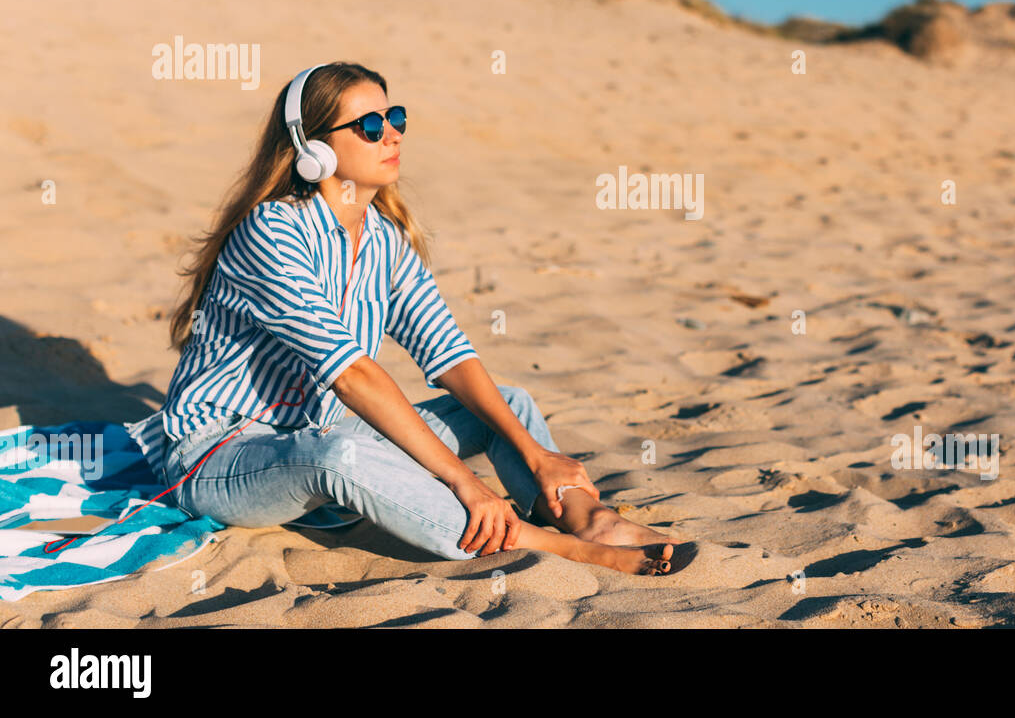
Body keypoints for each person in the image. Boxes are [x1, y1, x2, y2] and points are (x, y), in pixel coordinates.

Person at [157, 61, 694, 576]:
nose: (391, 135)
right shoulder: (271, 231)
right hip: (220, 455)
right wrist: (464, 481)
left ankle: (591, 522)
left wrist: (536, 453)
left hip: (314, 433)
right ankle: (550, 545)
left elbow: (448, 352)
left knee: (505, 405)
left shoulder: (384, 239)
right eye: (369, 125)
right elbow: (352, 376)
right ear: (314, 149)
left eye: (396, 119)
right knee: (338, 453)